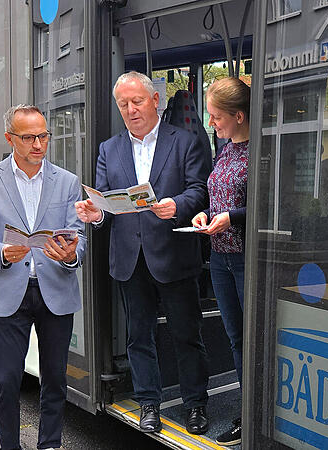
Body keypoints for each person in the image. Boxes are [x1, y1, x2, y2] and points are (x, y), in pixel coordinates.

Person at [75, 71, 212, 435]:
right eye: (123, 104)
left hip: (175, 254)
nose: (131, 110)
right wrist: (95, 213)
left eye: (137, 101)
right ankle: (148, 404)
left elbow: (201, 190)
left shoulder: (185, 141)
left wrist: (178, 204)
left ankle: (195, 404)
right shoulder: (109, 149)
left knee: (187, 334)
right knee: (139, 336)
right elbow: (103, 199)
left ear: (155, 101)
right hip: (129, 258)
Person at [0, 104, 86, 450]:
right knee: (5, 380)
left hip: (55, 292)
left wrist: (71, 255)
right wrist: (2, 253)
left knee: (54, 380)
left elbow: (79, 238)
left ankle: (49, 444)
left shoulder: (67, 182)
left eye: (43, 136)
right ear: (10, 139)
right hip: (8, 292)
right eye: (29, 137)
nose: (38, 143)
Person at [190, 77, 250, 447]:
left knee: (251, 339)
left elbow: (268, 205)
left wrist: (232, 217)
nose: (211, 123)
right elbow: (218, 197)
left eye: (215, 117)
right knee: (235, 338)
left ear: (239, 115)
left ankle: (254, 414)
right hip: (220, 258)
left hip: (246, 258)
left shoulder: (261, 151)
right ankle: (248, 408)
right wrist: (204, 215)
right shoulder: (225, 149)